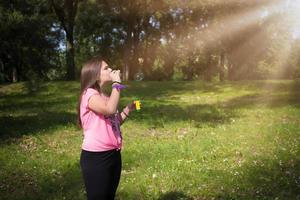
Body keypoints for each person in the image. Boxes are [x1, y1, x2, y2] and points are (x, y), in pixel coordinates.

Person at [77, 56, 135, 200]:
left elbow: (113, 122)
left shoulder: (104, 95)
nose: (110, 69)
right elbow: (109, 110)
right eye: (106, 68)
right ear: (96, 75)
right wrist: (117, 83)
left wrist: (127, 110)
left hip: (113, 154)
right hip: (97, 157)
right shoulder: (89, 94)